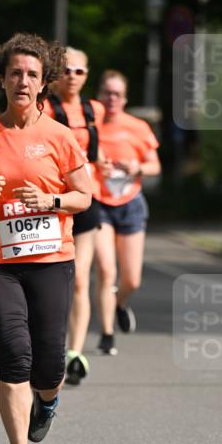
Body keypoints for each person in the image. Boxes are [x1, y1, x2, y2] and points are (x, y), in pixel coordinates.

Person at [0, 32, 91, 444]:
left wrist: (50, 201)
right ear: (1, 78)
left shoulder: (60, 136)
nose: (23, 80)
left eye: (32, 74)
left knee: (50, 364)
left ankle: (48, 401)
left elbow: (84, 197)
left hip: (52, 258)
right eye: (15, 72)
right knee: (14, 356)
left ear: (43, 82)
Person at [44, 47, 104, 386]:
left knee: (80, 278)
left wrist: (105, 162)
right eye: (67, 69)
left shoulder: (93, 109)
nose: (73, 76)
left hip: (83, 198)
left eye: (80, 71)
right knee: (53, 280)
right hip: (51, 201)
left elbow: (99, 147)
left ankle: (75, 352)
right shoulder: (43, 108)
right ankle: (44, 343)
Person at [94, 70, 161, 355]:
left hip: (131, 203)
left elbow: (155, 165)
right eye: (107, 93)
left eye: (117, 94)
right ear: (99, 95)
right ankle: (107, 334)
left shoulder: (138, 126)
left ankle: (119, 303)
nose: (112, 99)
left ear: (125, 98)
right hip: (99, 202)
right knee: (107, 270)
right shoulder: (90, 126)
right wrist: (98, 166)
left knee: (132, 279)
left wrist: (137, 168)